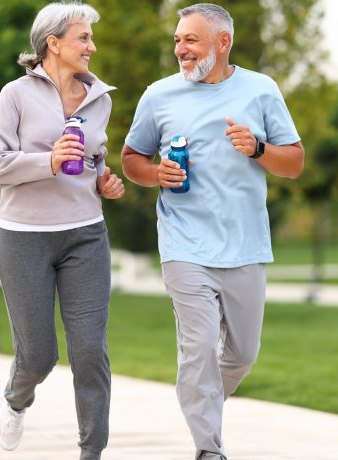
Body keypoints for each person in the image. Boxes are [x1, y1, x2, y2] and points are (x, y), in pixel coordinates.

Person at [120, 3, 304, 459]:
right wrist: (155, 174)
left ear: (223, 42)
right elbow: (131, 160)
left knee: (242, 354)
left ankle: (198, 398)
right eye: (178, 40)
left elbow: (295, 162)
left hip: (245, 244)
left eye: (190, 40)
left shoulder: (261, 90)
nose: (180, 49)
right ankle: (209, 448)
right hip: (184, 242)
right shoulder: (158, 96)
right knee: (198, 347)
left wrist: (258, 148)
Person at [0, 2, 123, 458]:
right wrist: (49, 161)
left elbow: (95, 158)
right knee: (40, 355)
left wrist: (104, 179)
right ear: (53, 43)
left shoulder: (101, 98)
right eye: (83, 38)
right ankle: (15, 400)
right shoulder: (15, 96)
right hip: (24, 237)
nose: (92, 47)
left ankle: (91, 452)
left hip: (85, 234)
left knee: (90, 353)